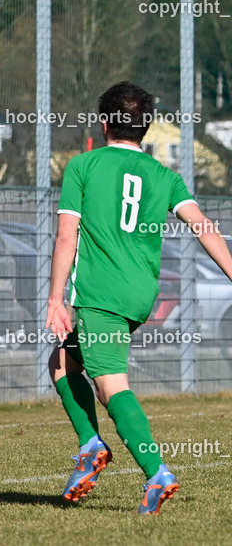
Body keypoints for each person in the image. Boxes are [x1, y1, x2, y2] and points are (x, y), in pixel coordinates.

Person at [47, 81, 232, 514]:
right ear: (146, 128)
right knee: (61, 361)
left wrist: (56, 298)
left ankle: (156, 473)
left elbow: (65, 237)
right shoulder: (164, 176)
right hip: (140, 295)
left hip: (101, 294)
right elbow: (202, 224)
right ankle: (91, 446)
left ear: (105, 122)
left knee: (111, 387)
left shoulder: (84, 165)